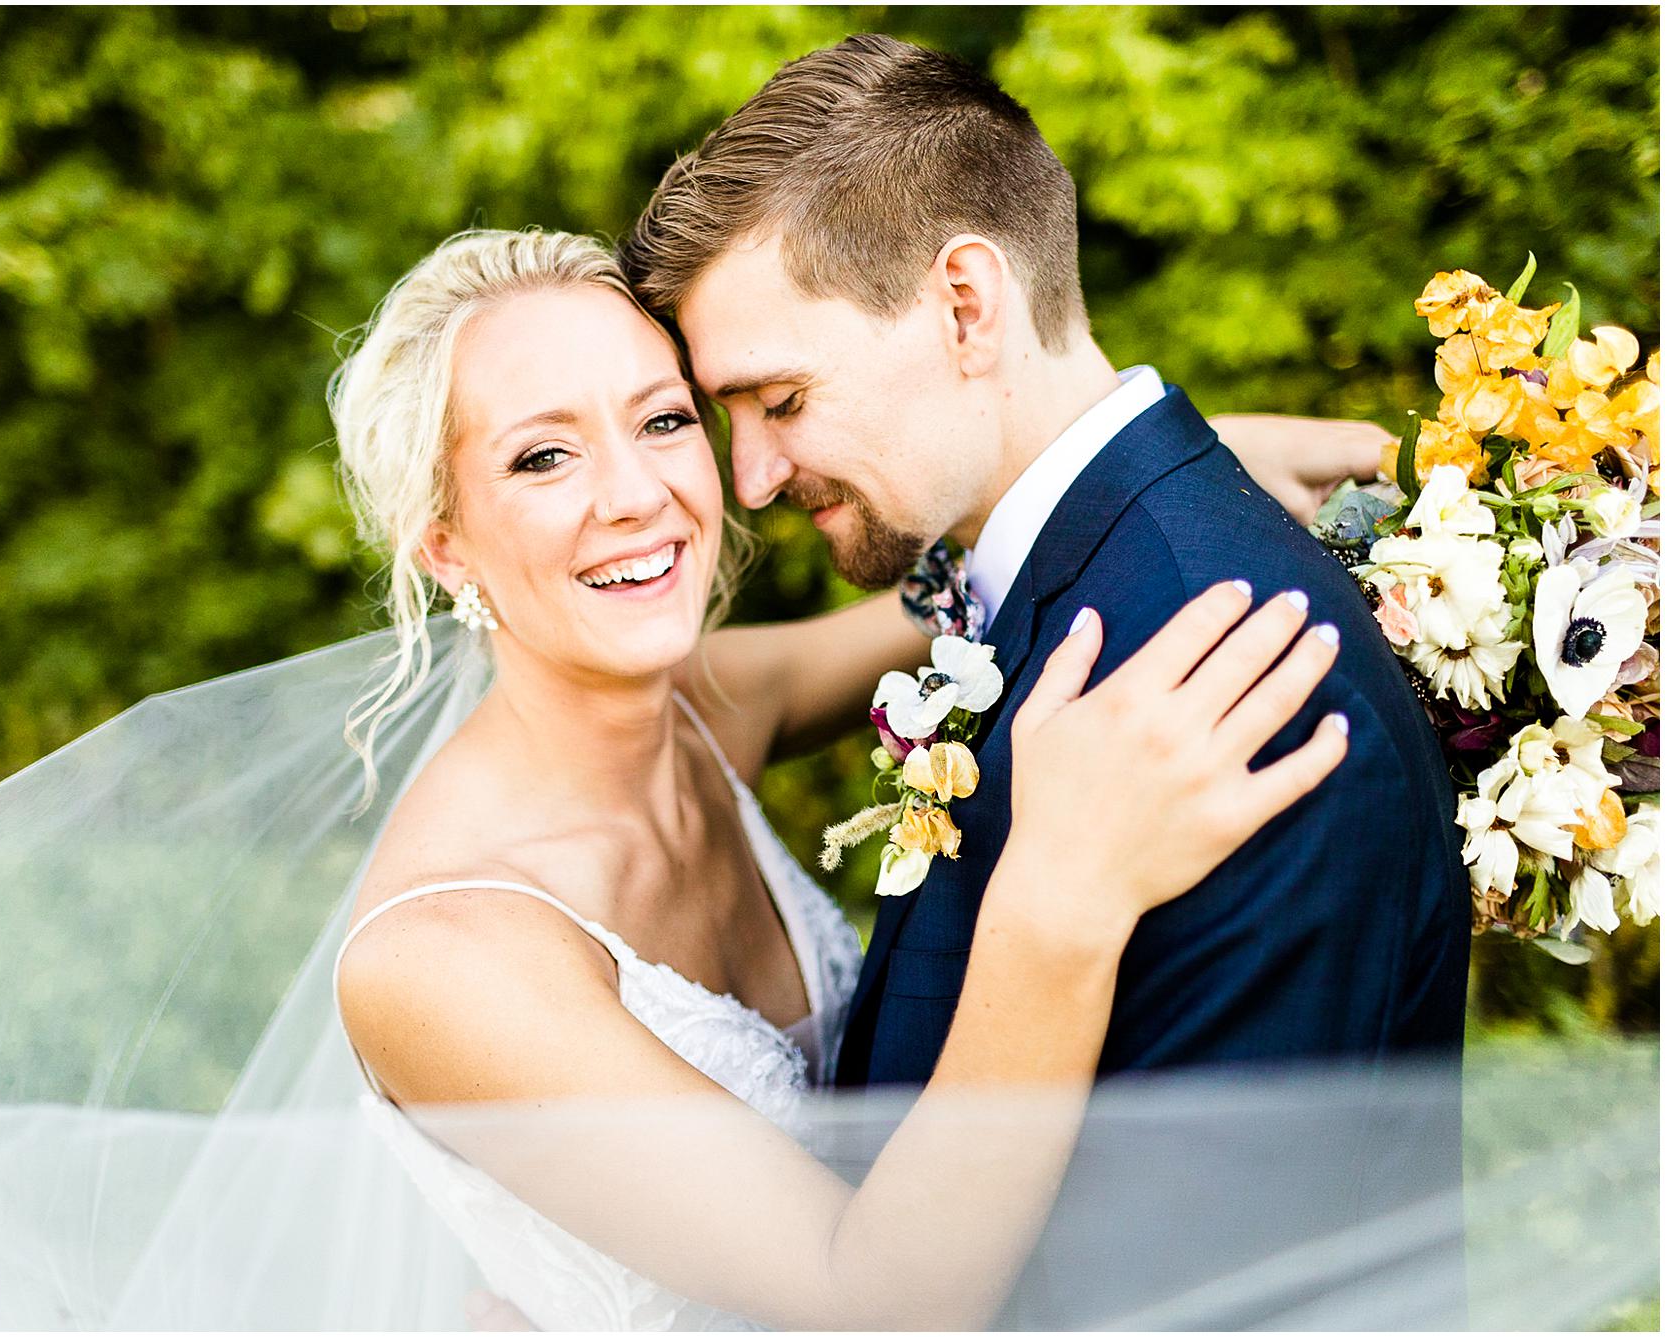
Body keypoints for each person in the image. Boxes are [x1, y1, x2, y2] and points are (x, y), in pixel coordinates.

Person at [328, 226, 1364, 1330]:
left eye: (662, 420)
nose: (635, 493)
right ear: (440, 541)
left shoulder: (703, 709)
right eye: (543, 455)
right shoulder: (441, 959)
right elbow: (871, 1299)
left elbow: (941, 598)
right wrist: (1060, 895)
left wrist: (1169, 466)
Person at [617, 33, 1471, 1324]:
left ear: (967, 303)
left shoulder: (1226, 671)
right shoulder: (1054, 579)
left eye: (781, 398)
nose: (748, 480)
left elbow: (1201, 1291)